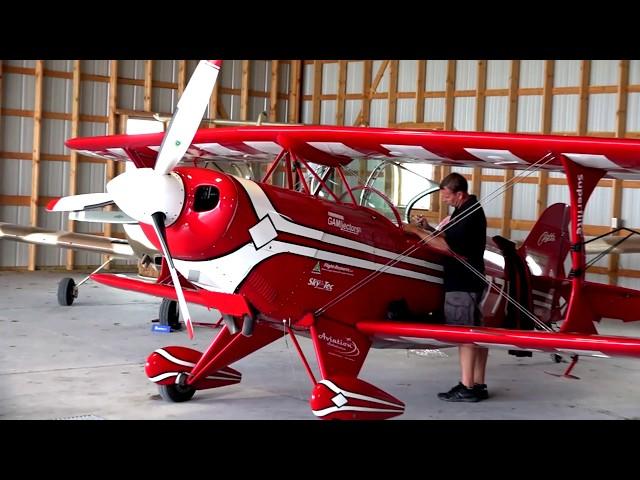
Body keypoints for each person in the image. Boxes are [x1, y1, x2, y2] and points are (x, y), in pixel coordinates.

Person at [403, 172, 488, 402]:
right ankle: (478, 383)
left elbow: (448, 248)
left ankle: (467, 387)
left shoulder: (467, 215)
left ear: (459, 194)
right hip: (471, 281)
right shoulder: (467, 210)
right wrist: (429, 228)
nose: (444, 200)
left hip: (462, 283)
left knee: (464, 334)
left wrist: (417, 232)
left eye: (447, 196)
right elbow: (449, 239)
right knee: (476, 333)